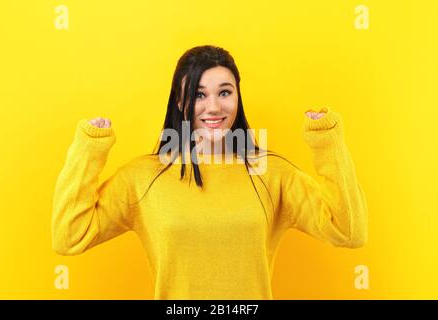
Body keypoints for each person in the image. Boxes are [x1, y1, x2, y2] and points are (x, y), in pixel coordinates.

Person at [52, 45, 368, 300]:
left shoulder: (271, 173)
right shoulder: (143, 178)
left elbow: (348, 230)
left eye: (225, 92)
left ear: (237, 97)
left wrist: (326, 140)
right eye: (199, 95)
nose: (213, 107)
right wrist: (90, 148)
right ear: (180, 101)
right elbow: (69, 236)